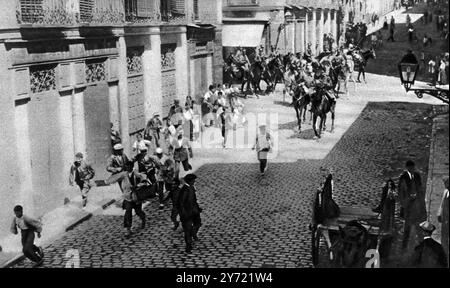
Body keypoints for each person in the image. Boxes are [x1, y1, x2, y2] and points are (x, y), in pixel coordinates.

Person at [105, 161, 147, 238]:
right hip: (127, 197)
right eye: (126, 167)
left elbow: (144, 179)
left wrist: (138, 185)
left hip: (136, 197)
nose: (127, 168)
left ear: (131, 167)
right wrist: (105, 182)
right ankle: (128, 229)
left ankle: (143, 218)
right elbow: (115, 178)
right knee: (128, 212)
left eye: (129, 167)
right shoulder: (124, 174)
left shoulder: (136, 173)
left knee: (138, 211)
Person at [398, 160, 427, 251]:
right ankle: (404, 247)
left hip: (417, 206)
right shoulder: (403, 178)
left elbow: (420, 189)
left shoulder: (417, 176)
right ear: (407, 168)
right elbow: (401, 193)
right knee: (407, 228)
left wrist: (420, 201)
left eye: (413, 168)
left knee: (419, 228)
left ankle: (420, 246)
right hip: (408, 208)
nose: (412, 169)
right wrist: (406, 201)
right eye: (410, 168)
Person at [178, 174, 202, 254]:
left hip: (194, 211)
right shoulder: (184, 190)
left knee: (198, 224)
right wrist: (183, 214)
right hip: (187, 214)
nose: (195, 181)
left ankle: (193, 233)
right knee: (187, 230)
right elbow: (180, 204)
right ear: (190, 181)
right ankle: (188, 246)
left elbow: (194, 199)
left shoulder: (191, 187)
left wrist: (198, 208)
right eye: (194, 180)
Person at [437, 176, 449, 265]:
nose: (445, 185)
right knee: (443, 236)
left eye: (446, 183)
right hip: (445, 218)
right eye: (444, 183)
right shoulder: (445, 191)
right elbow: (442, 204)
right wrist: (439, 212)